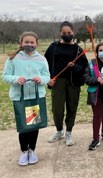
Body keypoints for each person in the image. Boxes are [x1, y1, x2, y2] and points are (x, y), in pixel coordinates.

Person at [2, 31, 50, 166]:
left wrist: (40, 79)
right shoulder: (13, 59)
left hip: (35, 97)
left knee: (34, 125)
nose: (29, 45)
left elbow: (47, 76)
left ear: (36, 43)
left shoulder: (41, 59)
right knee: (23, 125)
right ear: (21, 43)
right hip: (20, 98)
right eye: (26, 42)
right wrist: (16, 79)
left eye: (32, 42)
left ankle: (32, 150)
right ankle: (24, 151)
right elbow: (5, 76)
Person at [45, 21, 88, 146]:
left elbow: (83, 67)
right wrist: (48, 79)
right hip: (58, 82)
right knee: (57, 109)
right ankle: (59, 131)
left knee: (72, 107)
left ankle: (69, 132)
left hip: (73, 82)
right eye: (64, 33)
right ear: (60, 33)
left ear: (73, 33)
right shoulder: (53, 47)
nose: (67, 35)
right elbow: (44, 64)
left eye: (69, 33)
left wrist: (74, 66)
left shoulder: (78, 49)